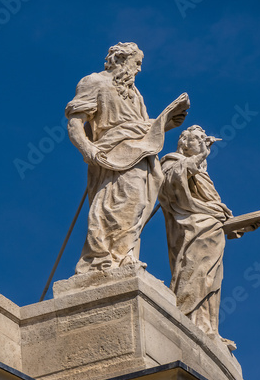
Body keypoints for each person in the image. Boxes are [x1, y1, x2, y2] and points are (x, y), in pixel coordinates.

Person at [65, 42, 188, 273]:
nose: (139, 69)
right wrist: (87, 149)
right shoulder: (94, 82)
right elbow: (74, 123)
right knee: (116, 204)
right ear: (121, 59)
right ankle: (104, 258)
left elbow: (142, 129)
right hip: (112, 152)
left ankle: (124, 255)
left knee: (138, 204)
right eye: (137, 63)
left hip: (140, 153)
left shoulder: (135, 95)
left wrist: (167, 122)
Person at [158, 125, 233, 336]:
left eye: (203, 138)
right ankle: (186, 315)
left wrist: (230, 222)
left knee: (211, 278)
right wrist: (199, 157)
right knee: (194, 270)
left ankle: (207, 327)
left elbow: (212, 206)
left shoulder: (201, 172)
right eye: (196, 139)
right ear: (184, 142)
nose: (201, 142)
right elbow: (170, 184)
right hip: (191, 229)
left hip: (212, 230)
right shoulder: (172, 161)